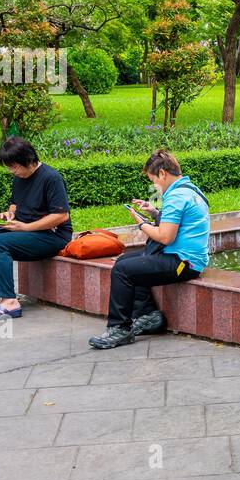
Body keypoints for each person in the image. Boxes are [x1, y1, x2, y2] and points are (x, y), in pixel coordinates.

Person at [89, 149, 210, 350]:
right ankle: (148, 315)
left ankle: (120, 328)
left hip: (183, 263)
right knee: (124, 262)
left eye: (153, 180)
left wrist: (141, 223)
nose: (154, 186)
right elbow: (175, 224)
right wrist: (154, 211)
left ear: (162, 174)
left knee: (123, 270)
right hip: (182, 258)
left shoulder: (176, 196)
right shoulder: (189, 189)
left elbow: (165, 236)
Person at [0, 137, 72, 321]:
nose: (12, 171)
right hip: (26, 231)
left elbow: (61, 216)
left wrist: (26, 227)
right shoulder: (19, 178)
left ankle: (9, 302)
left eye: (14, 166)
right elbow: (15, 204)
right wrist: (9, 214)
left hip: (51, 236)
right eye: (9, 167)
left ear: (29, 160)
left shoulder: (51, 178)